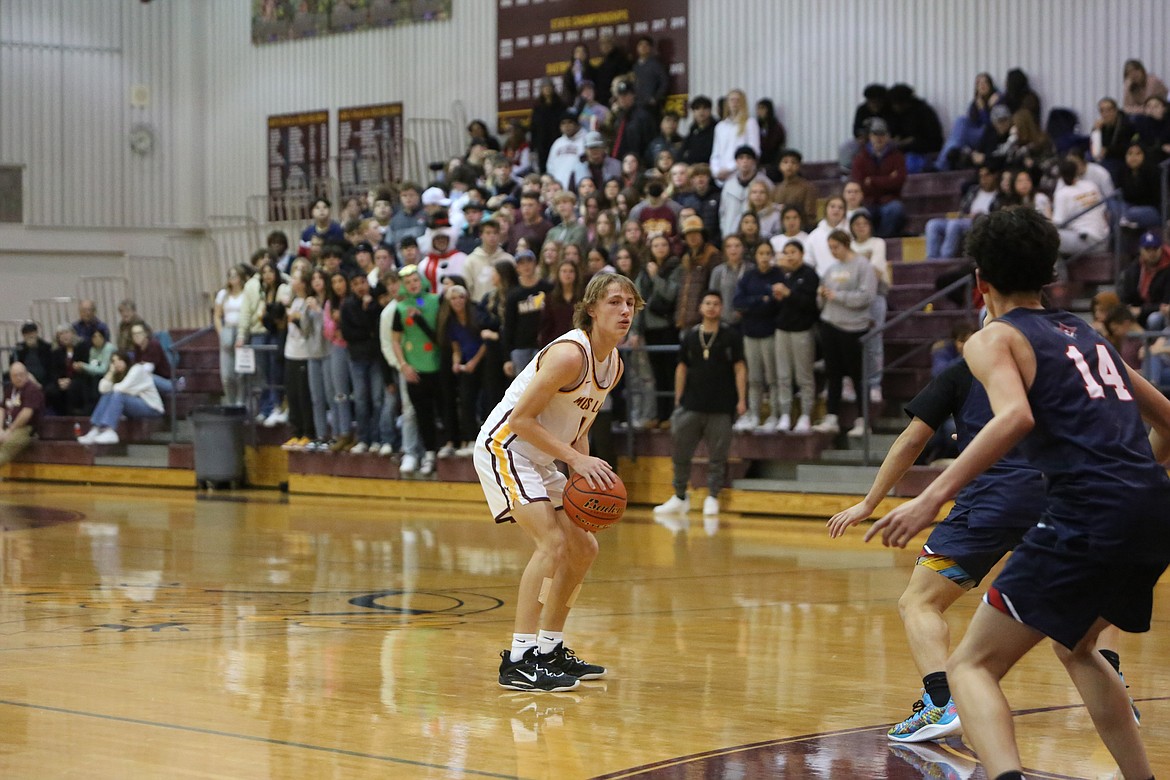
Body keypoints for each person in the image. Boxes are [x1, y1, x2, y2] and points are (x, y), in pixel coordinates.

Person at [867, 207, 1170, 779]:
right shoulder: (1089, 336)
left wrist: (930, 498)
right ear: (1049, 273)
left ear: (980, 280)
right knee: (1076, 647)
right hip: (1153, 509)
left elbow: (1014, 419)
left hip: (1087, 512)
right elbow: (1168, 423)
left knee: (970, 667)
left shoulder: (993, 338)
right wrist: (1132, 483)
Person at [480, 272, 638, 692]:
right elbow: (520, 420)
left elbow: (578, 426)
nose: (625, 311)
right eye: (615, 302)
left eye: (630, 304)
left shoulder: (614, 364)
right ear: (591, 309)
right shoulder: (570, 354)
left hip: (545, 454)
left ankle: (550, 648)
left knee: (584, 546)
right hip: (506, 447)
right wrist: (573, 461)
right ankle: (518, 659)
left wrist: (579, 466)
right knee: (551, 543)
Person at [653, 290, 746, 519]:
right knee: (681, 453)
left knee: (718, 456)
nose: (711, 307)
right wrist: (678, 399)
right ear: (700, 307)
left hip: (721, 406)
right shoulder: (690, 336)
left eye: (716, 303)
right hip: (691, 405)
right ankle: (679, 496)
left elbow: (740, 368)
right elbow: (681, 367)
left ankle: (713, 496)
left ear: (721, 308)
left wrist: (742, 400)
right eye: (707, 303)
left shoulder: (731, 336)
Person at [813, 230, 876, 435]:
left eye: (836, 247)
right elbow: (822, 299)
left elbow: (867, 296)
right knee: (833, 373)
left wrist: (837, 296)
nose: (833, 251)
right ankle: (832, 416)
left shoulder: (862, 266)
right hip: (830, 323)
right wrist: (821, 295)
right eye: (830, 248)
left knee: (858, 374)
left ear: (846, 244)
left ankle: (863, 420)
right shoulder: (830, 269)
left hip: (854, 327)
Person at [391, 265, 442, 476]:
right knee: (422, 414)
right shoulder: (400, 308)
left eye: (415, 280)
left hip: (437, 365)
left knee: (441, 410)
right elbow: (395, 340)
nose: (413, 284)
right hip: (414, 368)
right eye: (408, 282)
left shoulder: (435, 301)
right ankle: (428, 453)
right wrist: (403, 364)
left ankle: (442, 449)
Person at [733, 242, 784, 432]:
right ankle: (753, 414)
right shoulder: (748, 276)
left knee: (772, 377)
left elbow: (777, 304)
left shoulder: (778, 275)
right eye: (761, 253)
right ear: (755, 256)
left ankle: (774, 414)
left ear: (772, 255)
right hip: (750, 333)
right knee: (754, 378)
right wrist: (762, 299)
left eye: (767, 253)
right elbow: (738, 302)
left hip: (770, 332)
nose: (764, 257)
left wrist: (759, 303)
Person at [771, 239, 820, 433]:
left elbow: (809, 304)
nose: (789, 256)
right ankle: (785, 413)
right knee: (783, 375)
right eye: (786, 252)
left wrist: (789, 294)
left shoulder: (810, 275)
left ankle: (806, 415)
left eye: (793, 252)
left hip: (802, 331)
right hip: (782, 331)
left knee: (804, 376)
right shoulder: (785, 275)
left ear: (801, 254)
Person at [77, 352, 163, 445]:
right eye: (114, 361)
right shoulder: (117, 373)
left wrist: (110, 388)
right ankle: (95, 430)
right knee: (108, 394)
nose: (117, 363)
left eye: (120, 360)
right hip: (133, 405)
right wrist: (111, 372)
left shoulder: (136, 369)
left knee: (117, 394)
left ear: (126, 361)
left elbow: (122, 388)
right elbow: (102, 389)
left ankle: (109, 430)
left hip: (151, 407)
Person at [925, 165, 1001, 259]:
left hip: (980, 223)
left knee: (954, 224)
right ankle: (932, 258)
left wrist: (977, 216)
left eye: (987, 175)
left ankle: (945, 258)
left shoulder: (999, 195)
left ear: (995, 176)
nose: (983, 179)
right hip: (965, 219)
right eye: (981, 176)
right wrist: (966, 215)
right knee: (933, 224)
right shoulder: (973, 190)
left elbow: (995, 216)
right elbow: (962, 210)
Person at [850, 118, 907, 238]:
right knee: (862, 213)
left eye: (882, 134)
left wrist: (872, 181)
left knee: (895, 209)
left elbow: (899, 182)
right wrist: (888, 180)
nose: (879, 138)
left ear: (888, 136)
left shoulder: (897, 157)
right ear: (870, 136)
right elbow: (860, 185)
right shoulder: (860, 158)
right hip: (868, 201)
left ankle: (883, 239)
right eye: (875, 134)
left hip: (889, 201)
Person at [0, 363, 44, 472]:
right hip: (7, 426)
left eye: (21, 374)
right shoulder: (9, 389)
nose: (18, 378)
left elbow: (26, 414)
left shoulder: (32, 390)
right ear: (10, 377)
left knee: (8, 444)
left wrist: (10, 431)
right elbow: (2, 409)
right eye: (15, 375)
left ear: (27, 374)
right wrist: (0, 429)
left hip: (25, 428)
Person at [710, 89, 760, 182]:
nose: (734, 103)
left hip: (741, 175)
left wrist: (730, 169)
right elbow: (715, 153)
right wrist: (716, 171)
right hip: (721, 177)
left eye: (738, 100)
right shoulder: (720, 126)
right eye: (731, 100)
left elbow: (754, 151)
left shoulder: (750, 123)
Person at [771, 149, 818, 229]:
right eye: (785, 162)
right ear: (780, 166)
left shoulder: (807, 187)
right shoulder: (776, 189)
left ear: (798, 166)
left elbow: (810, 215)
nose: (789, 166)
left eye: (793, 162)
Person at [682, 95, 716, 166]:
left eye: (705, 108)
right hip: (692, 168)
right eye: (697, 109)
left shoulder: (717, 128)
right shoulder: (693, 129)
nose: (701, 112)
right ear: (693, 112)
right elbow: (683, 149)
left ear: (710, 110)